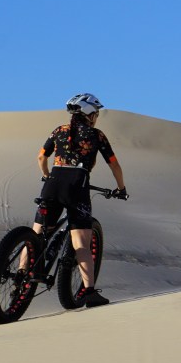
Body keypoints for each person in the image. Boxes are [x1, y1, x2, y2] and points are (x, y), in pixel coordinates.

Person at [32, 93, 127, 308]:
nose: (97, 116)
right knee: (81, 245)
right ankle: (90, 293)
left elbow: (41, 157)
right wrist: (121, 189)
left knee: (36, 234)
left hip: (52, 183)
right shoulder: (96, 135)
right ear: (89, 113)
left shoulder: (59, 131)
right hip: (77, 185)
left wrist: (46, 175)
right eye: (96, 112)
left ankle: (23, 273)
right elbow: (114, 164)